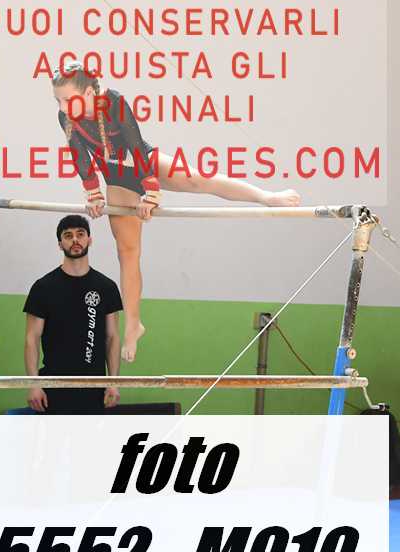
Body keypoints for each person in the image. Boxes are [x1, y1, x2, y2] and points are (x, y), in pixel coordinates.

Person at [52, 61, 301, 363]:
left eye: (68, 100)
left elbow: (135, 145)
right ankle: (133, 324)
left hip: (145, 162)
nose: (63, 107)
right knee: (127, 252)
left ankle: (266, 197)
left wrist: (151, 191)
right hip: (116, 178)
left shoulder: (113, 102)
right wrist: (92, 193)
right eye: (58, 100)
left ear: (90, 93)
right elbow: (80, 157)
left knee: (199, 179)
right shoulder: (66, 117)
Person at [23, 214, 122, 414]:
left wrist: (113, 383)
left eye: (80, 234)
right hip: (53, 388)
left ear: (89, 240)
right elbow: (31, 339)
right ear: (60, 244)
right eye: (68, 236)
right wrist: (34, 384)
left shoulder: (107, 287)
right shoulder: (43, 287)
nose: (75, 239)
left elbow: (112, 338)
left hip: (95, 389)